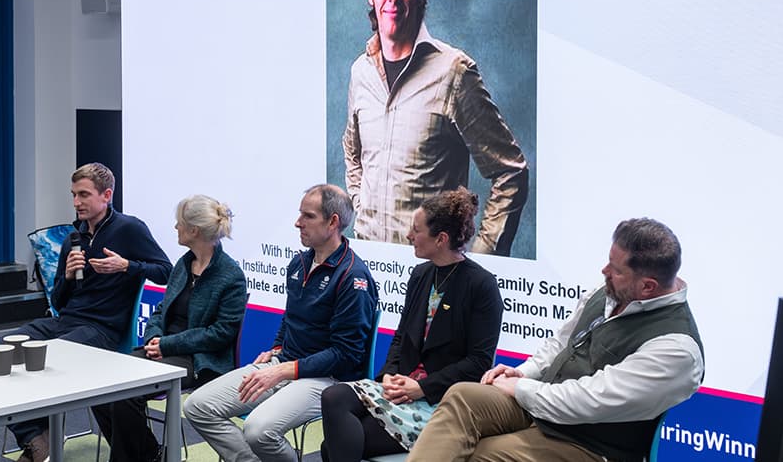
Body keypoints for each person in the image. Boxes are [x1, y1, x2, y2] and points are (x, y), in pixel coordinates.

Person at [406, 218, 705, 462]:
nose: (604, 272)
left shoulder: (676, 350)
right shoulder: (610, 293)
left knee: (482, 455)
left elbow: (589, 400)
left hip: (590, 444)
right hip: (543, 406)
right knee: (462, 397)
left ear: (648, 286)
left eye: (615, 270)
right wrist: (523, 372)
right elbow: (560, 344)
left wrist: (522, 388)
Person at [342, 0, 529, 256]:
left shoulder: (454, 73)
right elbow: (353, 152)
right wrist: (363, 206)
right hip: (369, 267)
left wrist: (480, 261)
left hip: (432, 273)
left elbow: (510, 172)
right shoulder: (360, 72)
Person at [183, 184, 379, 462]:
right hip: (286, 365)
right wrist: (277, 348)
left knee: (257, 430)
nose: (297, 222)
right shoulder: (299, 264)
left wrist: (285, 370)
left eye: (307, 216)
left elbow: (346, 354)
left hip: (327, 379)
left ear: (333, 222)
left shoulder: (353, 277)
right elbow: (291, 317)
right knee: (198, 406)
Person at [320, 187, 503, 462]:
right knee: (333, 398)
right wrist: (389, 375)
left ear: (441, 239)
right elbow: (401, 337)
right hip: (402, 388)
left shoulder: (482, 286)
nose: (408, 236)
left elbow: (478, 362)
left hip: (440, 401)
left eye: (416, 230)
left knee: (330, 448)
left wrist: (422, 387)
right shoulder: (421, 274)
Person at [8, 163, 172, 462]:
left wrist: (128, 266)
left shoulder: (129, 228)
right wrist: (68, 276)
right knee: (3, 349)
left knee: (50, 358)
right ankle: (35, 438)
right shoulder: (75, 236)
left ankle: (43, 440)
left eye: (83, 195)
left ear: (106, 195)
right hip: (65, 321)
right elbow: (58, 299)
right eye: (73, 195)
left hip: (104, 329)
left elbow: (166, 272)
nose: (76, 202)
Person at [92, 194, 247, 462]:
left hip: (200, 361)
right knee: (102, 386)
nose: (175, 227)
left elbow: (221, 334)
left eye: (179, 223)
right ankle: (151, 454)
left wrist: (167, 345)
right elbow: (162, 310)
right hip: (164, 349)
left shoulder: (230, 275)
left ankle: (140, 457)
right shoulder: (184, 264)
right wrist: (154, 337)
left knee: (127, 393)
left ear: (194, 230)